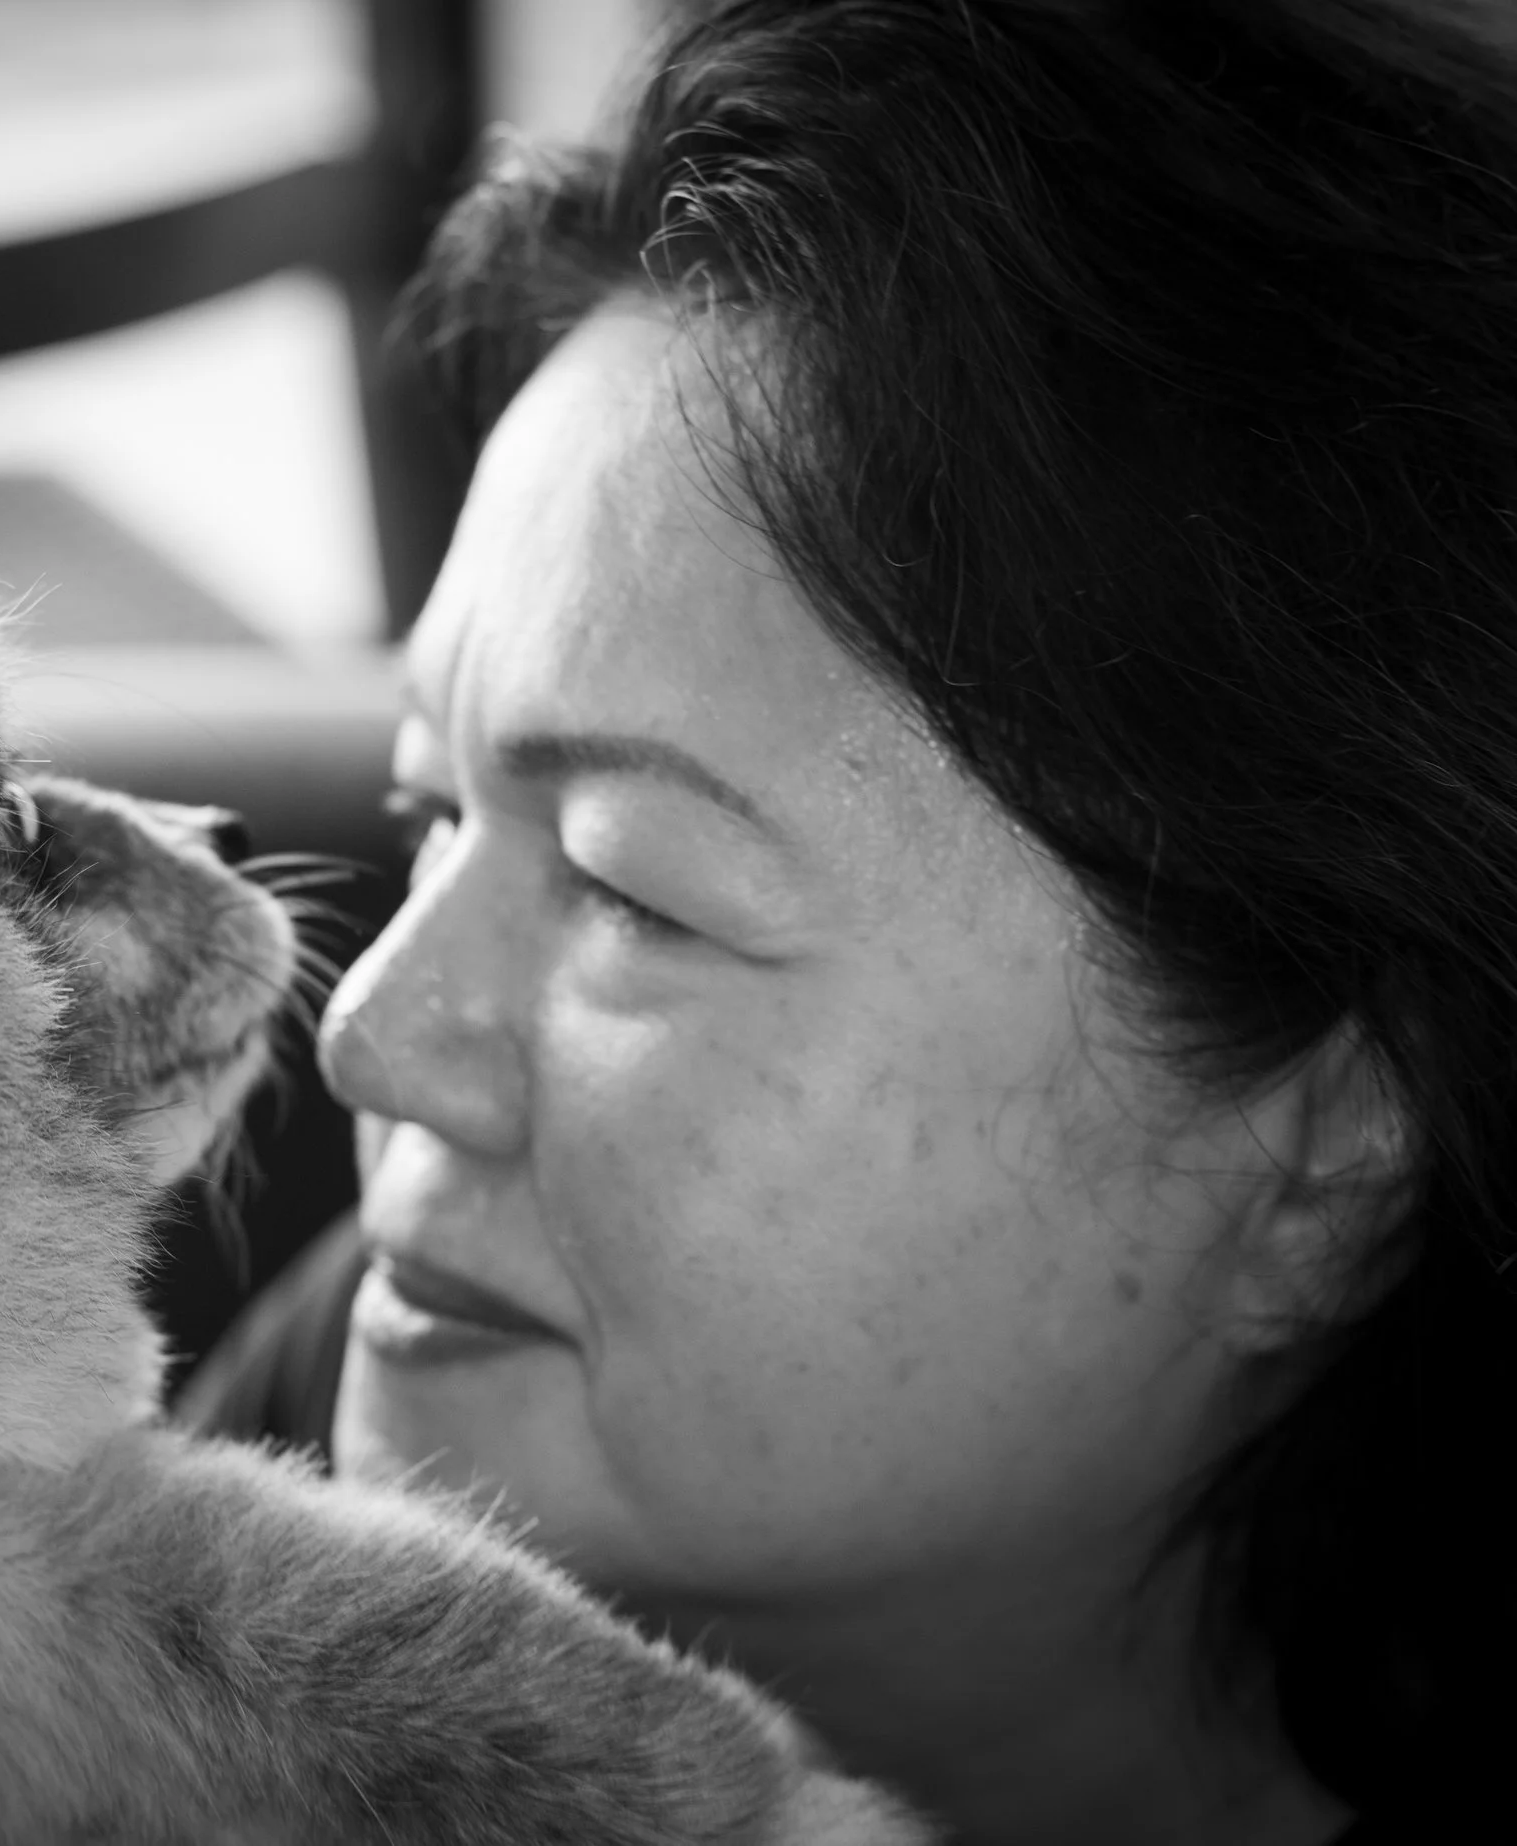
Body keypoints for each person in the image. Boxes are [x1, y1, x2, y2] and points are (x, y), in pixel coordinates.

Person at [176, 2, 1517, 1841]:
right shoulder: (362, 1402)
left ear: (1325, 1158)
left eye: (636, 891)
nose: (371, 1033)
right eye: (430, 811)